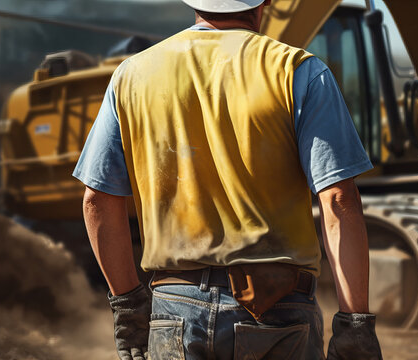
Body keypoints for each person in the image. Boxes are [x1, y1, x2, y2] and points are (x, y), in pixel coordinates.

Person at [73, 0, 383, 359]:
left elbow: (96, 199)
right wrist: (354, 324)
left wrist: (128, 306)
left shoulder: (132, 75)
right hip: (277, 309)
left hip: (175, 308)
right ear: (263, 5)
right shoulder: (297, 70)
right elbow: (338, 199)